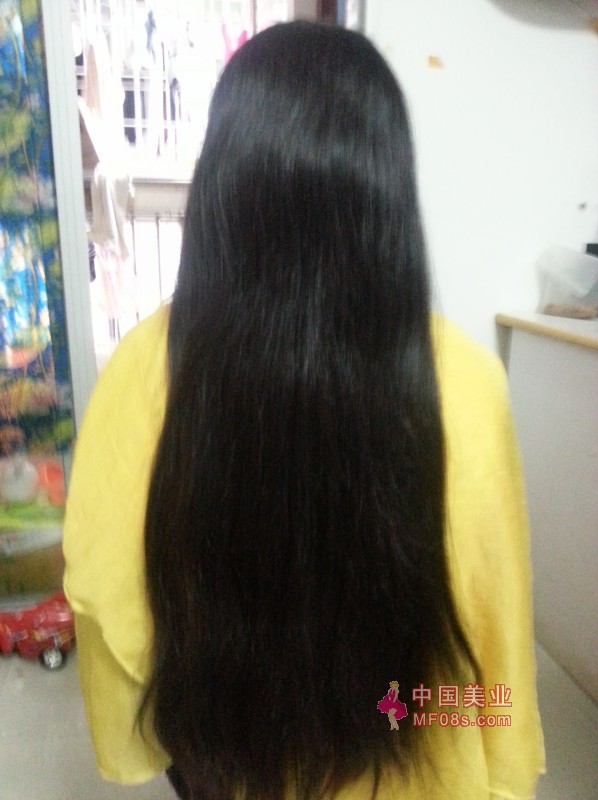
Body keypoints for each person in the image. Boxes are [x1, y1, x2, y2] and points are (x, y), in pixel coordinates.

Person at [62, 21, 545, 800]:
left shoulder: (141, 366)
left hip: (225, 753)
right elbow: (495, 621)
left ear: (223, 177)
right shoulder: (465, 381)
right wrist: (502, 757)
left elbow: (103, 589)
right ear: (386, 184)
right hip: (402, 745)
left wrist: (135, 736)